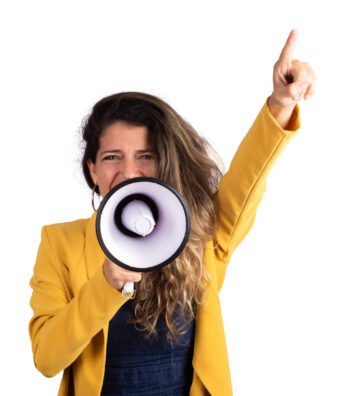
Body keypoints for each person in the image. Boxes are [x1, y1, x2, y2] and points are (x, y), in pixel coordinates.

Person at [29, 30, 316, 396]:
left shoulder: (201, 233)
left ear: (164, 163)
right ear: (92, 170)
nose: (130, 172)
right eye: (112, 157)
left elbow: (248, 178)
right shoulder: (59, 242)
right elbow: (46, 358)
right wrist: (106, 284)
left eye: (146, 156)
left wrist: (280, 104)